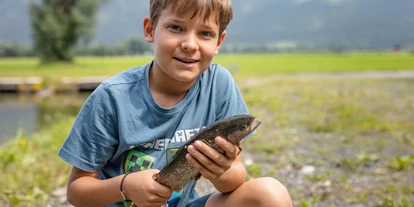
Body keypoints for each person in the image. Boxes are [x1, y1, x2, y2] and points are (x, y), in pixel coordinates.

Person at [58, 0, 292, 206]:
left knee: (271, 194)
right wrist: (125, 186)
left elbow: (234, 178)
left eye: (205, 33)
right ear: (150, 30)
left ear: (219, 41)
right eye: (176, 28)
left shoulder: (218, 84)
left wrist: (220, 172)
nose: (190, 44)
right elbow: (77, 191)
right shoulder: (112, 97)